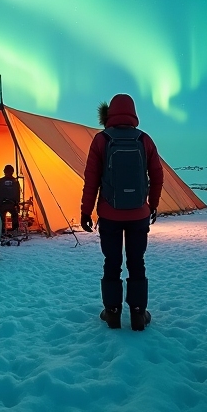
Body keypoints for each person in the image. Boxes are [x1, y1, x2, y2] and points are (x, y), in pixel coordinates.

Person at [81, 93, 163, 331]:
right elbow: (157, 175)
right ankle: (138, 314)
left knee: (112, 262)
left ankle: (112, 312)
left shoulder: (101, 140)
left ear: (109, 114)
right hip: (139, 215)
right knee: (137, 262)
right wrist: (152, 204)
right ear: (133, 112)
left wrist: (86, 212)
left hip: (109, 215)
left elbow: (91, 180)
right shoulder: (144, 140)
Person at [0, 165, 21, 238]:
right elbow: (17, 194)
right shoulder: (15, 182)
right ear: (12, 172)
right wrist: (17, 203)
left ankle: (2, 230)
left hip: (1, 204)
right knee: (14, 214)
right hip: (12, 204)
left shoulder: (0, 181)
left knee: (1, 216)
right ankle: (14, 229)